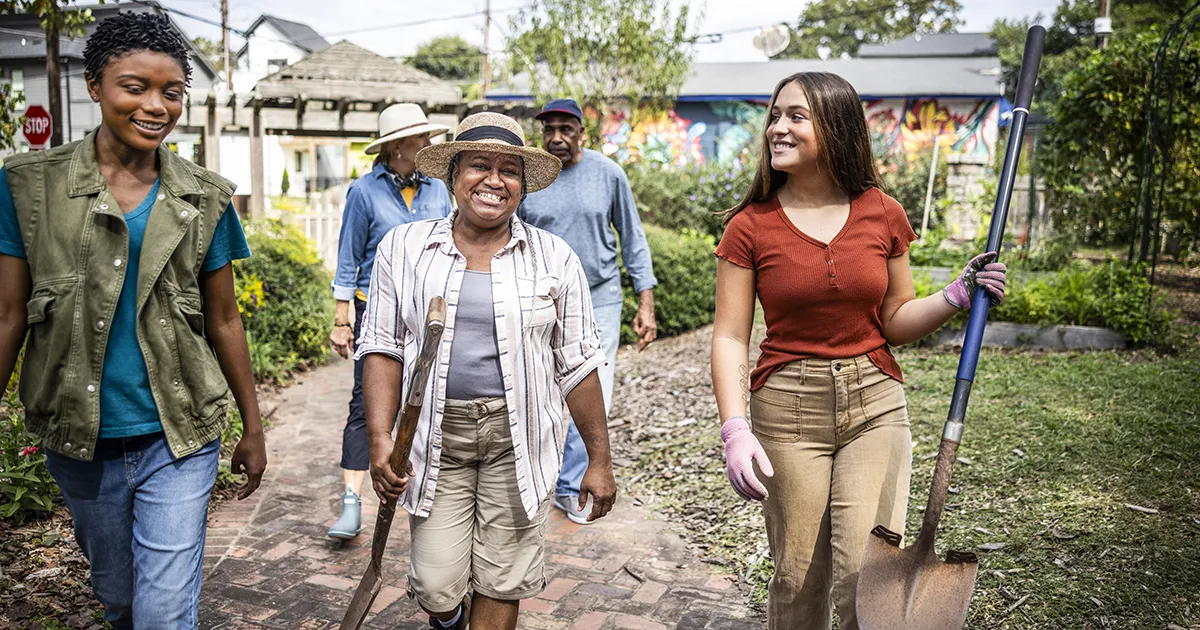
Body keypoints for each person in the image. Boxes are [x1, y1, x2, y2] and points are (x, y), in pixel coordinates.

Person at [709, 72, 1007, 630]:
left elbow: (895, 319)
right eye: (775, 116)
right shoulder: (750, 227)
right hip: (788, 410)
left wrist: (955, 294)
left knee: (865, 582)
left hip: (875, 405)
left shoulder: (882, 212)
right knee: (799, 581)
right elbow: (730, 335)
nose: (778, 128)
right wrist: (734, 428)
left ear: (836, 126)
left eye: (796, 116)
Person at [0, 13, 267, 629]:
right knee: (119, 598)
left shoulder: (205, 198)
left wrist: (253, 428)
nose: (155, 106)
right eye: (134, 86)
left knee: (163, 613)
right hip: (78, 437)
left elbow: (225, 319)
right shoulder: (27, 188)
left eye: (172, 92)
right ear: (94, 86)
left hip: (179, 434)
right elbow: (9, 314)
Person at [357, 112, 618, 630]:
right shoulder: (404, 250)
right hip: (435, 438)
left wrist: (599, 459)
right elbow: (383, 347)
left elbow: (578, 364)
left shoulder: (554, 259)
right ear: (454, 175)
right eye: (479, 165)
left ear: (524, 186)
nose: (495, 181)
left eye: (510, 170)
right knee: (435, 586)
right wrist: (380, 438)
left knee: (503, 577)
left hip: (518, 438)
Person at [519, 98, 657, 524]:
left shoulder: (608, 174)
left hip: (600, 297)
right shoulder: (532, 179)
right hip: (541, 298)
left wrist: (645, 301)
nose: (557, 137)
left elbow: (632, 238)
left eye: (566, 128)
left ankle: (568, 484)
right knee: (539, 391)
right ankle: (536, 476)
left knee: (595, 390)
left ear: (582, 131)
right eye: (550, 130)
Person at [326, 103, 452, 539]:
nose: (429, 145)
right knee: (366, 403)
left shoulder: (439, 188)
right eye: (422, 139)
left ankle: (432, 495)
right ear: (398, 145)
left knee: (430, 397)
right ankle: (351, 503)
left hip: (428, 312)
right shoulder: (364, 192)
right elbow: (348, 258)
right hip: (374, 308)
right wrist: (342, 318)